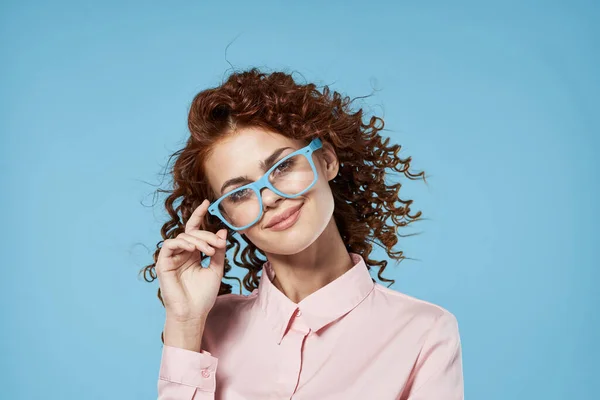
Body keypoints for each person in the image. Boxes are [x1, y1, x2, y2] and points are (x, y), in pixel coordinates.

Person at [141, 68, 464, 399]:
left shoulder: (424, 332)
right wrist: (184, 324)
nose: (269, 197)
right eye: (238, 193)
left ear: (326, 160)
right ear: (225, 217)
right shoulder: (205, 327)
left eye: (282, 166)